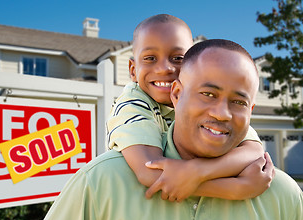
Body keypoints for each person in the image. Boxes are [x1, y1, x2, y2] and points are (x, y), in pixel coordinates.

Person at [34, 39, 303, 220]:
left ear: (251, 111)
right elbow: (152, 173)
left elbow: (252, 148)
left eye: (238, 102)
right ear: (176, 94)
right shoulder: (101, 181)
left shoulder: (283, 196)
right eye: (208, 94)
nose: (222, 113)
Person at [107, 14, 269, 201]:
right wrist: (237, 189)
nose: (164, 69)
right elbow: (150, 171)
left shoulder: (202, 102)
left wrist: (197, 171)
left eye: (177, 58)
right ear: (133, 70)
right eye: (150, 58)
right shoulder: (132, 105)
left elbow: (253, 150)